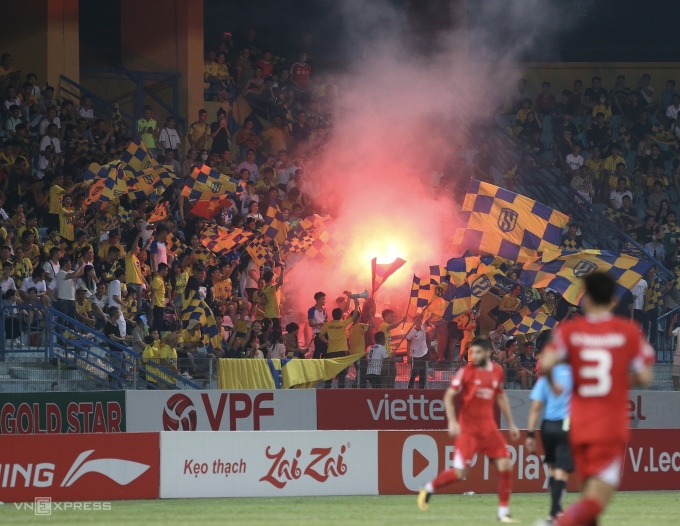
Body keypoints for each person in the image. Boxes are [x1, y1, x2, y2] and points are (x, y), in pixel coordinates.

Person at [539, 272, 654, 526]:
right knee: (597, 498)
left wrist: (557, 385)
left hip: (578, 421)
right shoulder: (627, 331)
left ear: (586, 299)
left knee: (589, 492)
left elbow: (546, 362)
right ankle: (555, 523)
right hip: (609, 424)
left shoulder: (570, 331)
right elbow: (645, 377)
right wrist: (617, 379)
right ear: (613, 299)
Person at [417, 337, 520, 523]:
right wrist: (452, 421)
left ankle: (503, 512)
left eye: (478, 352)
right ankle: (429, 487)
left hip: (488, 428)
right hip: (468, 430)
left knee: (505, 466)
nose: (475, 355)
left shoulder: (497, 371)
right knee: (460, 473)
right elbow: (449, 396)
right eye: (473, 352)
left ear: (488, 353)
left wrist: (511, 423)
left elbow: (501, 397)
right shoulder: (466, 372)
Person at [526, 363, 574, 523]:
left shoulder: (546, 377)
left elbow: (535, 408)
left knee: (552, 469)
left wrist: (530, 434)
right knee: (561, 471)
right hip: (566, 424)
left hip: (547, 426)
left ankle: (557, 508)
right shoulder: (576, 375)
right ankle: (554, 513)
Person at [319, 295, 359, 388]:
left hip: (331, 351)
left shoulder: (328, 325)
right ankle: (340, 390)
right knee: (341, 374)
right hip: (342, 352)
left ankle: (327, 390)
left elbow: (320, 336)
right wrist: (356, 305)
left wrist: (327, 342)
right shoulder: (343, 323)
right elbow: (354, 316)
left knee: (330, 372)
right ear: (341, 315)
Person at [406, 314, 429, 389]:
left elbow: (429, 319)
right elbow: (408, 345)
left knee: (423, 372)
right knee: (414, 372)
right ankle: (410, 388)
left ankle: (421, 389)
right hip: (416, 355)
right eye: (417, 320)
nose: (419, 321)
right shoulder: (411, 332)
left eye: (420, 320)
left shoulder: (423, 327)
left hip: (424, 353)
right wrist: (408, 356)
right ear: (414, 321)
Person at [308, 291, 328, 358]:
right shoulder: (311, 310)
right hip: (317, 333)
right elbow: (310, 324)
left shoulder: (324, 310)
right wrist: (320, 324)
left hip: (325, 332)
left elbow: (326, 320)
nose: (325, 301)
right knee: (318, 350)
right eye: (323, 299)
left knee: (326, 350)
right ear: (318, 300)